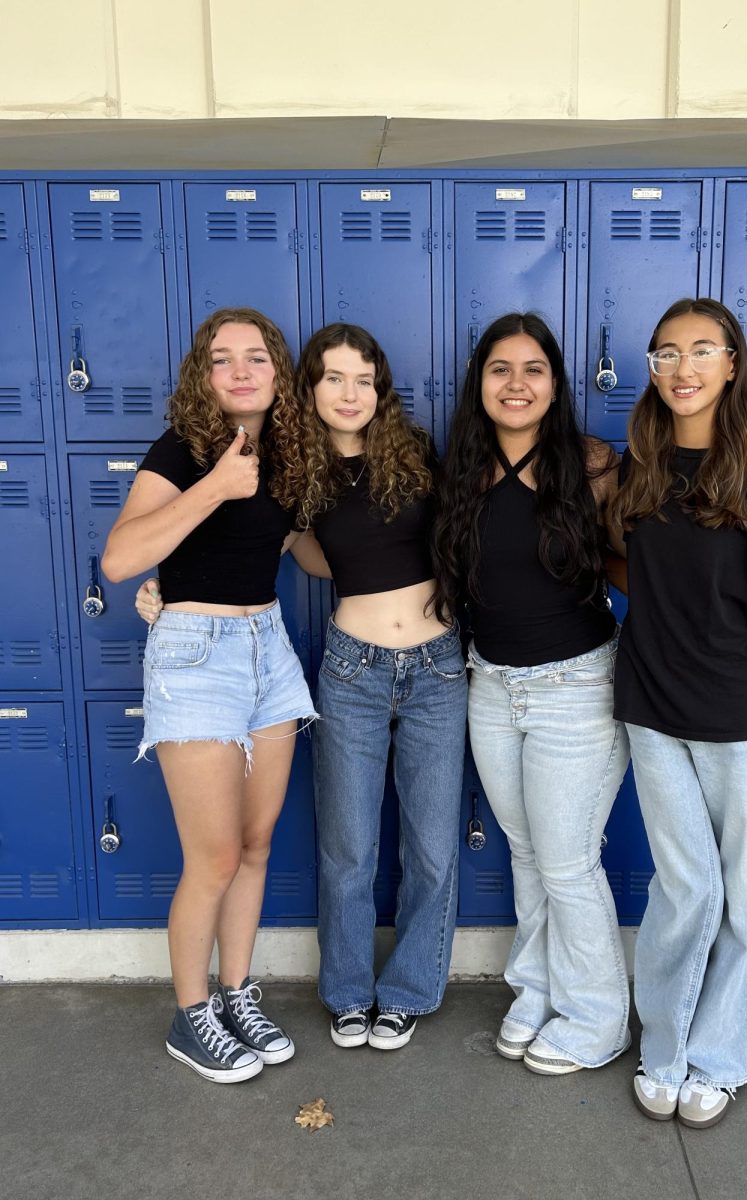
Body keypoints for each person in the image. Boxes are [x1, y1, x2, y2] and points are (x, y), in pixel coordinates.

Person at [137, 322, 466, 1053]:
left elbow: (464, 537)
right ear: (307, 388)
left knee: (432, 849)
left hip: (438, 667)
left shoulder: (416, 457)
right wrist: (172, 587)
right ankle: (348, 995)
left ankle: (408, 991)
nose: (350, 393)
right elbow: (281, 549)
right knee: (348, 849)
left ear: (380, 388)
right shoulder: (294, 471)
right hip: (351, 666)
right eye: (333, 378)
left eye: (364, 378)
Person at [103, 307, 317, 1084]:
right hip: (196, 656)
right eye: (221, 358)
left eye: (254, 357)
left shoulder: (291, 455)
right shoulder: (185, 450)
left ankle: (235, 994)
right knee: (215, 856)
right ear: (204, 374)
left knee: (256, 846)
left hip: (270, 652)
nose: (239, 370)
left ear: (276, 373)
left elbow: (310, 553)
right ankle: (190, 1015)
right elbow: (122, 558)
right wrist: (218, 486)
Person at [612, 297, 747, 1128]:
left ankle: (718, 1058)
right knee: (684, 889)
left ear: (731, 364)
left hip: (733, 720)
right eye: (664, 353)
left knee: (737, 896)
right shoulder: (635, 470)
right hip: (650, 706)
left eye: (699, 351)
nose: (681, 368)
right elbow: (634, 578)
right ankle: (663, 1044)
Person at [433, 312, 631, 1076]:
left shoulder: (589, 464)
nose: (515, 385)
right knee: (525, 852)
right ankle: (536, 987)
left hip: (576, 686)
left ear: (554, 384)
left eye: (532, 369)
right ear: (479, 383)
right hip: (491, 684)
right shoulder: (461, 471)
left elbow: (633, 560)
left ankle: (597, 1016)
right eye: (499, 370)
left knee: (566, 862)